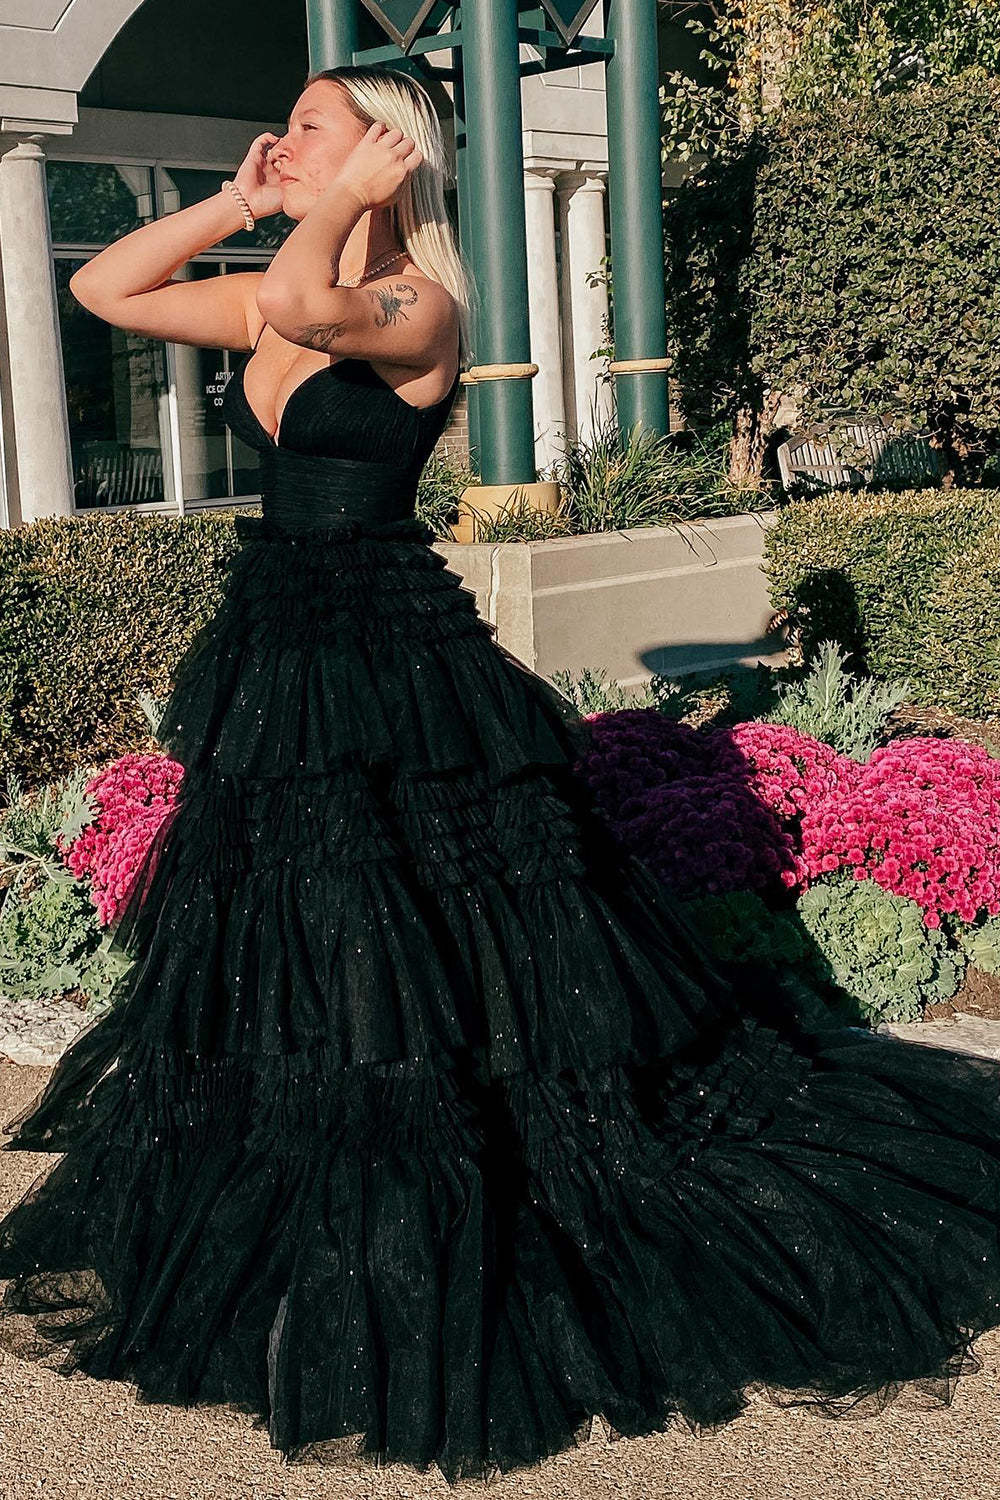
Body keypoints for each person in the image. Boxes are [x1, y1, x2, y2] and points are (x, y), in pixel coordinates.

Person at [1, 62, 1000, 1490]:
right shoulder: (293, 272)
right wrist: (242, 194)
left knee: (425, 919)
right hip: (281, 655)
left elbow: (294, 306)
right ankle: (304, 1160)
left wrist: (344, 198)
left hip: (395, 660)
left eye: (317, 120)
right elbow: (106, 294)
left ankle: (448, 1166)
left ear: (393, 151)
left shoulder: (420, 308)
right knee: (301, 917)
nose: (285, 134)